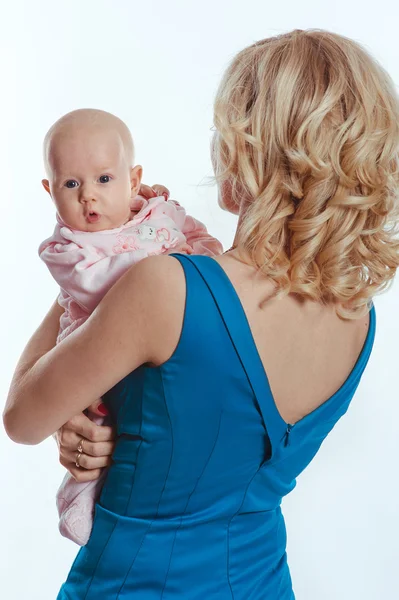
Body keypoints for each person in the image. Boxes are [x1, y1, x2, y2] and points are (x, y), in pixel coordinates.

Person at [4, 29, 399, 599]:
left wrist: (95, 256)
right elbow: (208, 448)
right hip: (264, 583)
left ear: (246, 148)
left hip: (130, 585)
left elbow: (22, 418)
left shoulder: (164, 287)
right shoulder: (358, 320)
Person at [38, 108, 222, 546]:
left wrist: (196, 253)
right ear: (50, 191)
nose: (89, 198)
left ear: (133, 181)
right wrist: (166, 263)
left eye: (104, 180)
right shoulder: (67, 247)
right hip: (91, 337)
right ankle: (78, 499)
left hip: (154, 338)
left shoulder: (154, 213)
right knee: (95, 423)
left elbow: (197, 236)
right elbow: (98, 282)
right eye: (71, 184)